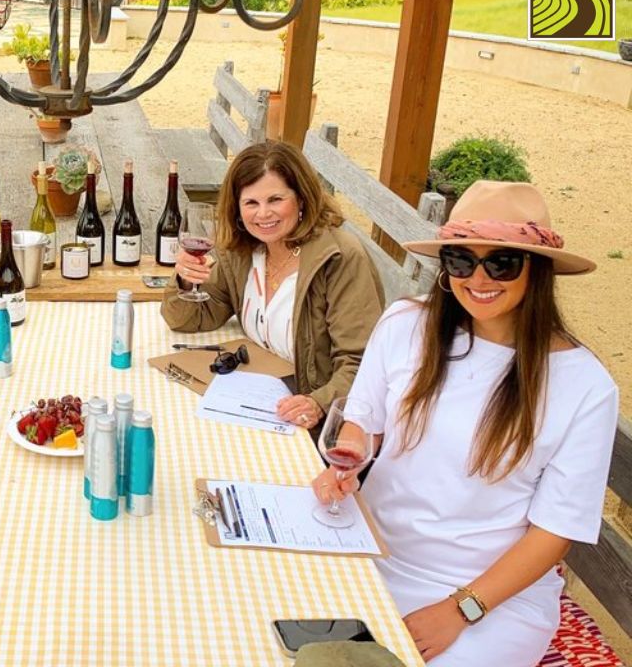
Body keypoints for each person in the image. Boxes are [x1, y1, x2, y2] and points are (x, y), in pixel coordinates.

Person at [312, 181, 618, 665]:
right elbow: (363, 422)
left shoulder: (583, 385)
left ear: (537, 271)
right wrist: (347, 462)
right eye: (460, 260)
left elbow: (554, 531)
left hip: (491, 596)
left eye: (501, 261)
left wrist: (461, 609)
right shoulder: (405, 324)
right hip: (366, 551)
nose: (478, 278)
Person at [161, 140, 384, 427]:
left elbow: (363, 361)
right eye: (251, 203)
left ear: (302, 198)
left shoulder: (339, 258)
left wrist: (319, 403)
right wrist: (184, 281)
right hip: (257, 393)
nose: (263, 214)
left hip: (317, 417)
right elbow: (191, 319)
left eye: (275, 200)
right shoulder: (242, 249)